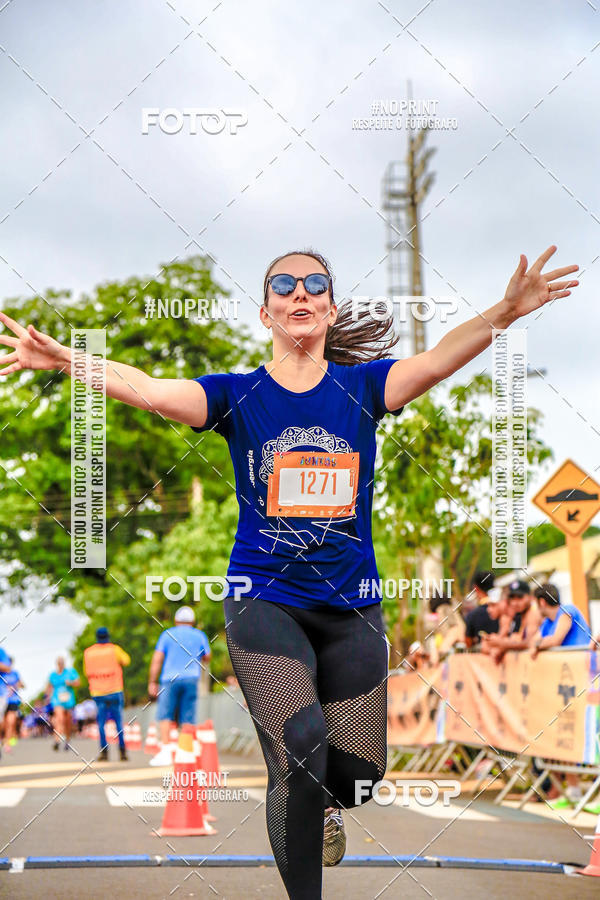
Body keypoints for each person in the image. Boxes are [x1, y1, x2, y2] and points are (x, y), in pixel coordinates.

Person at [0, 245, 579, 900]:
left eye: (314, 285)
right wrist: (69, 361)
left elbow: (440, 358)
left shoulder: (364, 389)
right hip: (264, 599)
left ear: (330, 309)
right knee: (300, 747)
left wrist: (507, 308)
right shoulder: (237, 395)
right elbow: (151, 390)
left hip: (351, 606)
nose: (299, 292)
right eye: (284, 284)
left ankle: (325, 802)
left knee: (358, 776)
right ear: (266, 311)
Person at [147, 606, 211, 766]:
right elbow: (207, 657)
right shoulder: (199, 635)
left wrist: (152, 681)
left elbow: (157, 659)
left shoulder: (167, 635)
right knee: (188, 714)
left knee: (165, 714)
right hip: (191, 678)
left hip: (169, 679)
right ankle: (185, 750)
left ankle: (166, 751)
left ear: (176, 621)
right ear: (193, 622)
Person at [83, 627, 131, 762]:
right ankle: (122, 752)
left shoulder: (89, 653)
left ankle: (104, 753)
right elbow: (127, 661)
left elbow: (86, 672)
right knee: (118, 722)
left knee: (101, 723)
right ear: (108, 636)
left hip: (98, 692)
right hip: (115, 690)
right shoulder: (114, 649)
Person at [530, 583, 591, 655]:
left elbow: (555, 641)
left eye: (535, 603)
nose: (534, 608)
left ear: (542, 602)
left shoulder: (567, 610)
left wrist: (538, 645)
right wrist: (542, 643)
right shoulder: (548, 621)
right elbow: (532, 642)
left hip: (583, 662)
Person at [45, 657, 80, 751]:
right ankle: (57, 740)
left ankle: (68, 740)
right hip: (57, 700)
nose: (60, 664)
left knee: (67, 721)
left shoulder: (70, 672)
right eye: (59, 663)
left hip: (69, 700)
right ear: (57, 664)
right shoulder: (53, 675)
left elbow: (78, 683)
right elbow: (48, 687)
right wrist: (47, 697)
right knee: (59, 719)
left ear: (64, 663)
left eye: (62, 662)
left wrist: (71, 683)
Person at [2, 658, 24, 751]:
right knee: (3, 723)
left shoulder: (15, 673)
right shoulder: (1, 673)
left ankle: (7, 743)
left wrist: (15, 686)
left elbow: (21, 684)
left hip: (13, 701)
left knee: (11, 722)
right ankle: (3, 739)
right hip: (2, 701)